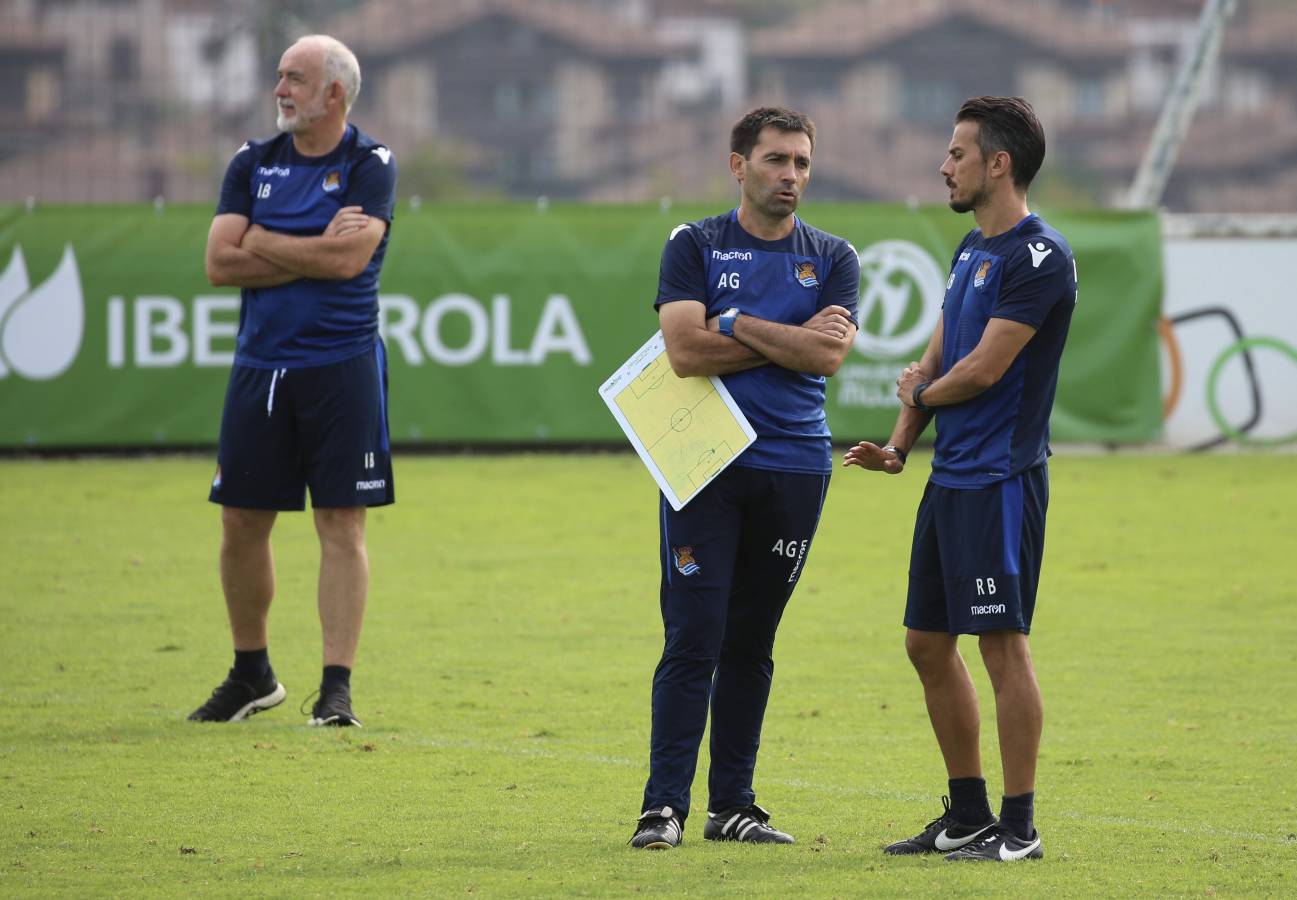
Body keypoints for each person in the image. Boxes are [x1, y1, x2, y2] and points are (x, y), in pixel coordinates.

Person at [844, 96, 1076, 862]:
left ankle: (1019, 828)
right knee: (923, 643)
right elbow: (937, 360)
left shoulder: (1038, 258)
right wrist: (900, 444)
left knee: (1002, 649)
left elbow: (982, 371)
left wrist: (917, 394)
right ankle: (968, 814)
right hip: (950, 481)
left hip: (1001, 482)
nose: (943, 166)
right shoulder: (967, 252)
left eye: (955, 154)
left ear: (996, 163)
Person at [629, 107, 860, 850]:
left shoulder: (832, 256)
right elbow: (683, 353)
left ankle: (733, 805)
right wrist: (785, 338)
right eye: (774, 161)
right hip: (704, 465)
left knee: (752, 641)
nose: (789, 176)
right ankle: (663, 807)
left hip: (795, 466)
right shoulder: (693, 243)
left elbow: (825, 360)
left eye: (800, 163)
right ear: (738, 165)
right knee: (692, 634)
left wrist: (732, 322)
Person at [189, 34, 397, 728]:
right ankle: (251, 674)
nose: (279, 89)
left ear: (333, 93)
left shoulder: (371, 164)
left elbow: (347, 266)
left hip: (342, 368)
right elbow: (220, 263)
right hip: (259, 368)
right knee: (241, 523)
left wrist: (265, 240)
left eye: (295, 78)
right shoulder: (252, 161)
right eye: (278, 76)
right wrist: (315, 245)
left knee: (341, 523)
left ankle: (335, 689)